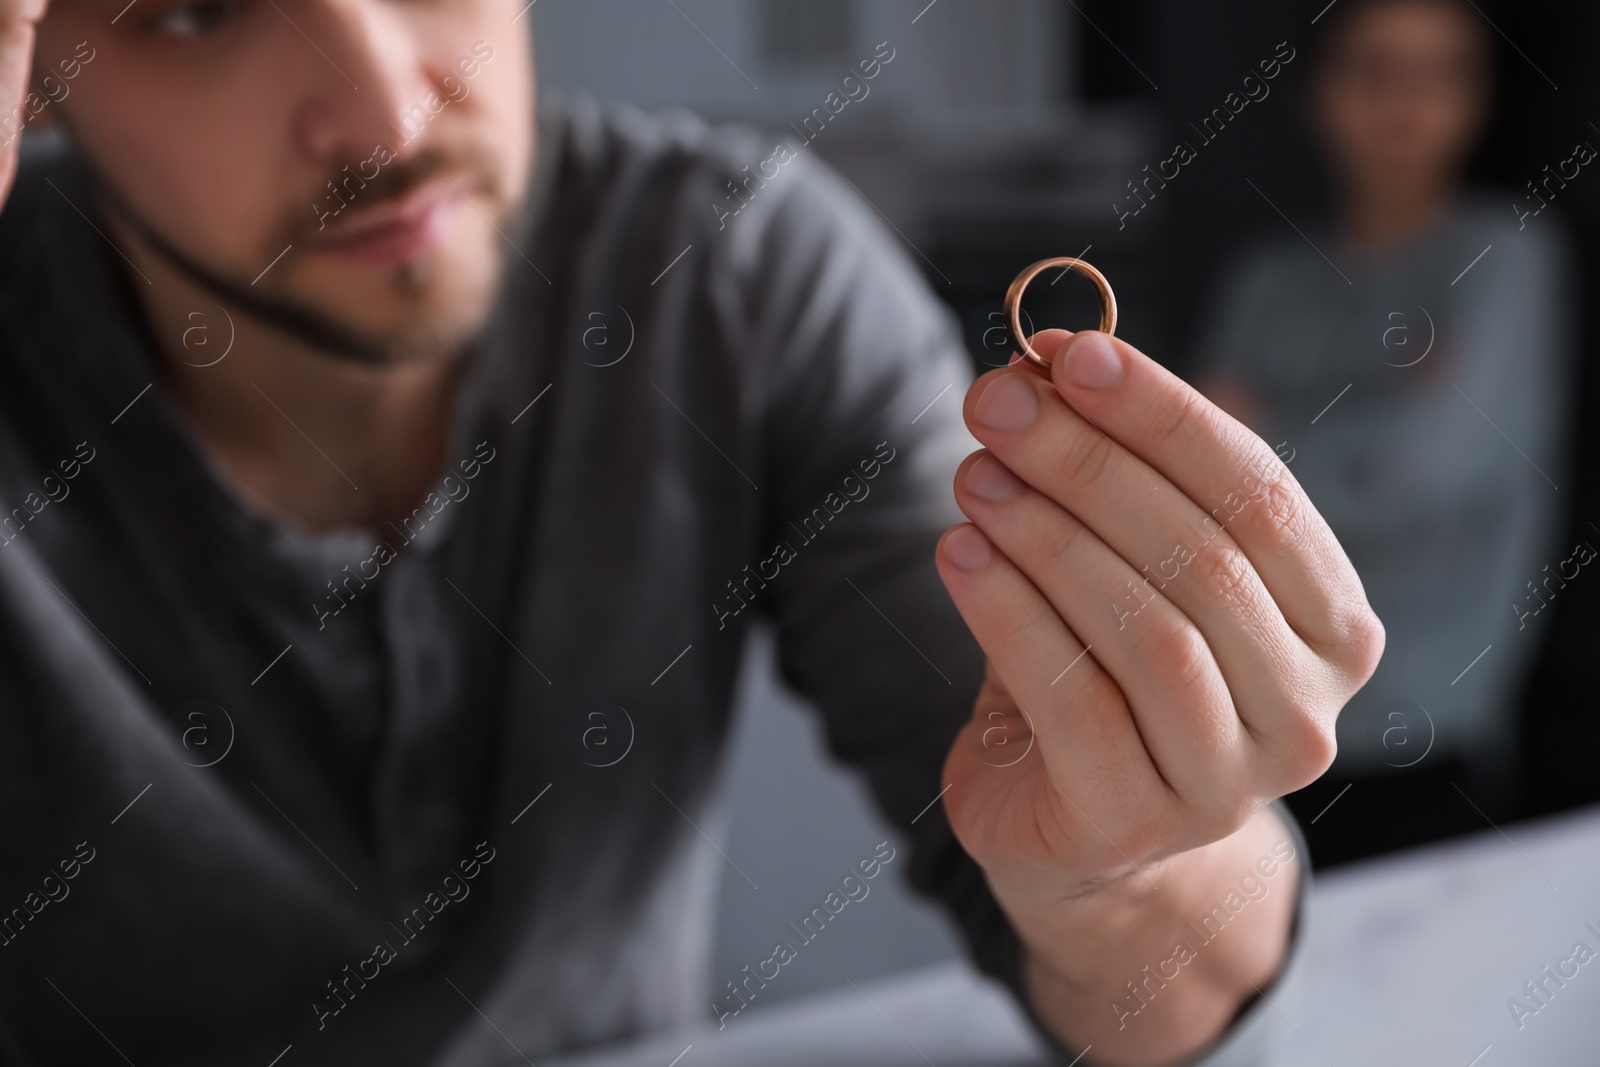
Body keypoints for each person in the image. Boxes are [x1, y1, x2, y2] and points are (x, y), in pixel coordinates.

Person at [0, 2, 1380, 1064]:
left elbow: (1181, 995)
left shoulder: (730, 275)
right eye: (192, 11)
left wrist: (1134, 857)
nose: (384, 109)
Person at [1195, 0, 1573, 867]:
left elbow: (1420, 473)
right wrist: (1374, 414)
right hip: (1255, 717)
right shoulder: (1266, 280)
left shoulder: (1508, 254)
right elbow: (1201, 484)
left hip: (1427, 725)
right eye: (1376, 69)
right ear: (1320, 92)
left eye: (1443, 73)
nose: (1407, 100)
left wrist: (1265, 431)